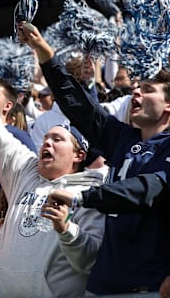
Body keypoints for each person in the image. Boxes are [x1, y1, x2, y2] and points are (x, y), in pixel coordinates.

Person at [17, 20, 170, 295]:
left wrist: (81, 196)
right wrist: (45, 54)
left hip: (146, 287)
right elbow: (80, 107)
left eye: (147, 89)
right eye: (136, 86)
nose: (136, 91)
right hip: (102, 285)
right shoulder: (123, 138)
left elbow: (147, 189)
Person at [0, 71, 107, 298]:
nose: (46, 143)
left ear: (79, 155)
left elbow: (88, 260)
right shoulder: (24, 171)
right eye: (46, 138)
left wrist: (66, 229)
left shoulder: (90, 193)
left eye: (57, 140)